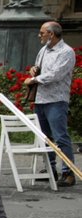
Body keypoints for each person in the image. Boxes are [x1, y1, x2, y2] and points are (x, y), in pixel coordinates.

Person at [25, 21, 77, 187]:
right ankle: (50, 169)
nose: (39, 35)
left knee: (60, 136)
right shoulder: (43, 50)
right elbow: (39, 67)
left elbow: (55, 75)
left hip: (56, 99)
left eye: (42, 33)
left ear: (51, 34)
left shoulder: (66, 52)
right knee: (45, 137)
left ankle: (68, 173)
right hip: (41, 99)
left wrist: (33, 79)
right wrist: (34, 69)